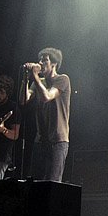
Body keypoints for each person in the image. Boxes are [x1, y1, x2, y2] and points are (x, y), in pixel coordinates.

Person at [22, 47, 71, 182]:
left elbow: (47, 96)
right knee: (35, 181)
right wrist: (26, 79)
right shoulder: (39, 82)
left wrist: (35, 77)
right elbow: (23, 99)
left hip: (58, 140)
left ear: (54, 64)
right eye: (40, 60)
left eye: (45, 60)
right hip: (41, 139)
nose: (40, 63)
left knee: (52, 181)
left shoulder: (62, 79)